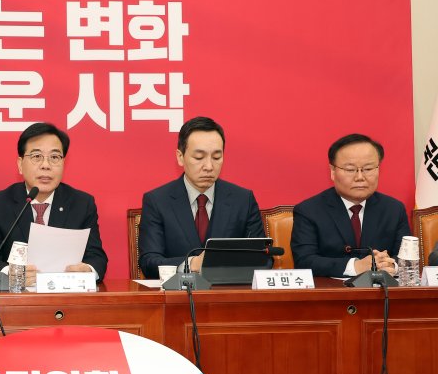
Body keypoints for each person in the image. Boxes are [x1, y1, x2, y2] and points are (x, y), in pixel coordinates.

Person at [0, 122, 107, 285]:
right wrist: (12, 273)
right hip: (16, 298)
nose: (46, 165)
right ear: (20, 164)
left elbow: (97, 258)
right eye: (36, 156)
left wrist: (88, 271)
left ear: (64, 163)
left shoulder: (82, 204)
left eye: (54, 157)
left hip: (65, 295)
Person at [139, 116, 264, 278]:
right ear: (180, 157)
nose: (209, 166)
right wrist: (191, 263)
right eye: (199, 157)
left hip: (228, 291)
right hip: (179, 292)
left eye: (217, 157)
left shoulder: (243, 200)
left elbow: (263, 258)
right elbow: (149, 262)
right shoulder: (157, 201)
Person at [291, 133, 410, 277]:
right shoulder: (309, 211)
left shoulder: (394, 209)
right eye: (350, 170)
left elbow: (407, 258)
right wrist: (355, 266)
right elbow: (304, 261)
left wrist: (391, 265)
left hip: (381, 289)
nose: (360, 177)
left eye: (368, 169)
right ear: (333, 171)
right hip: (331, 290)